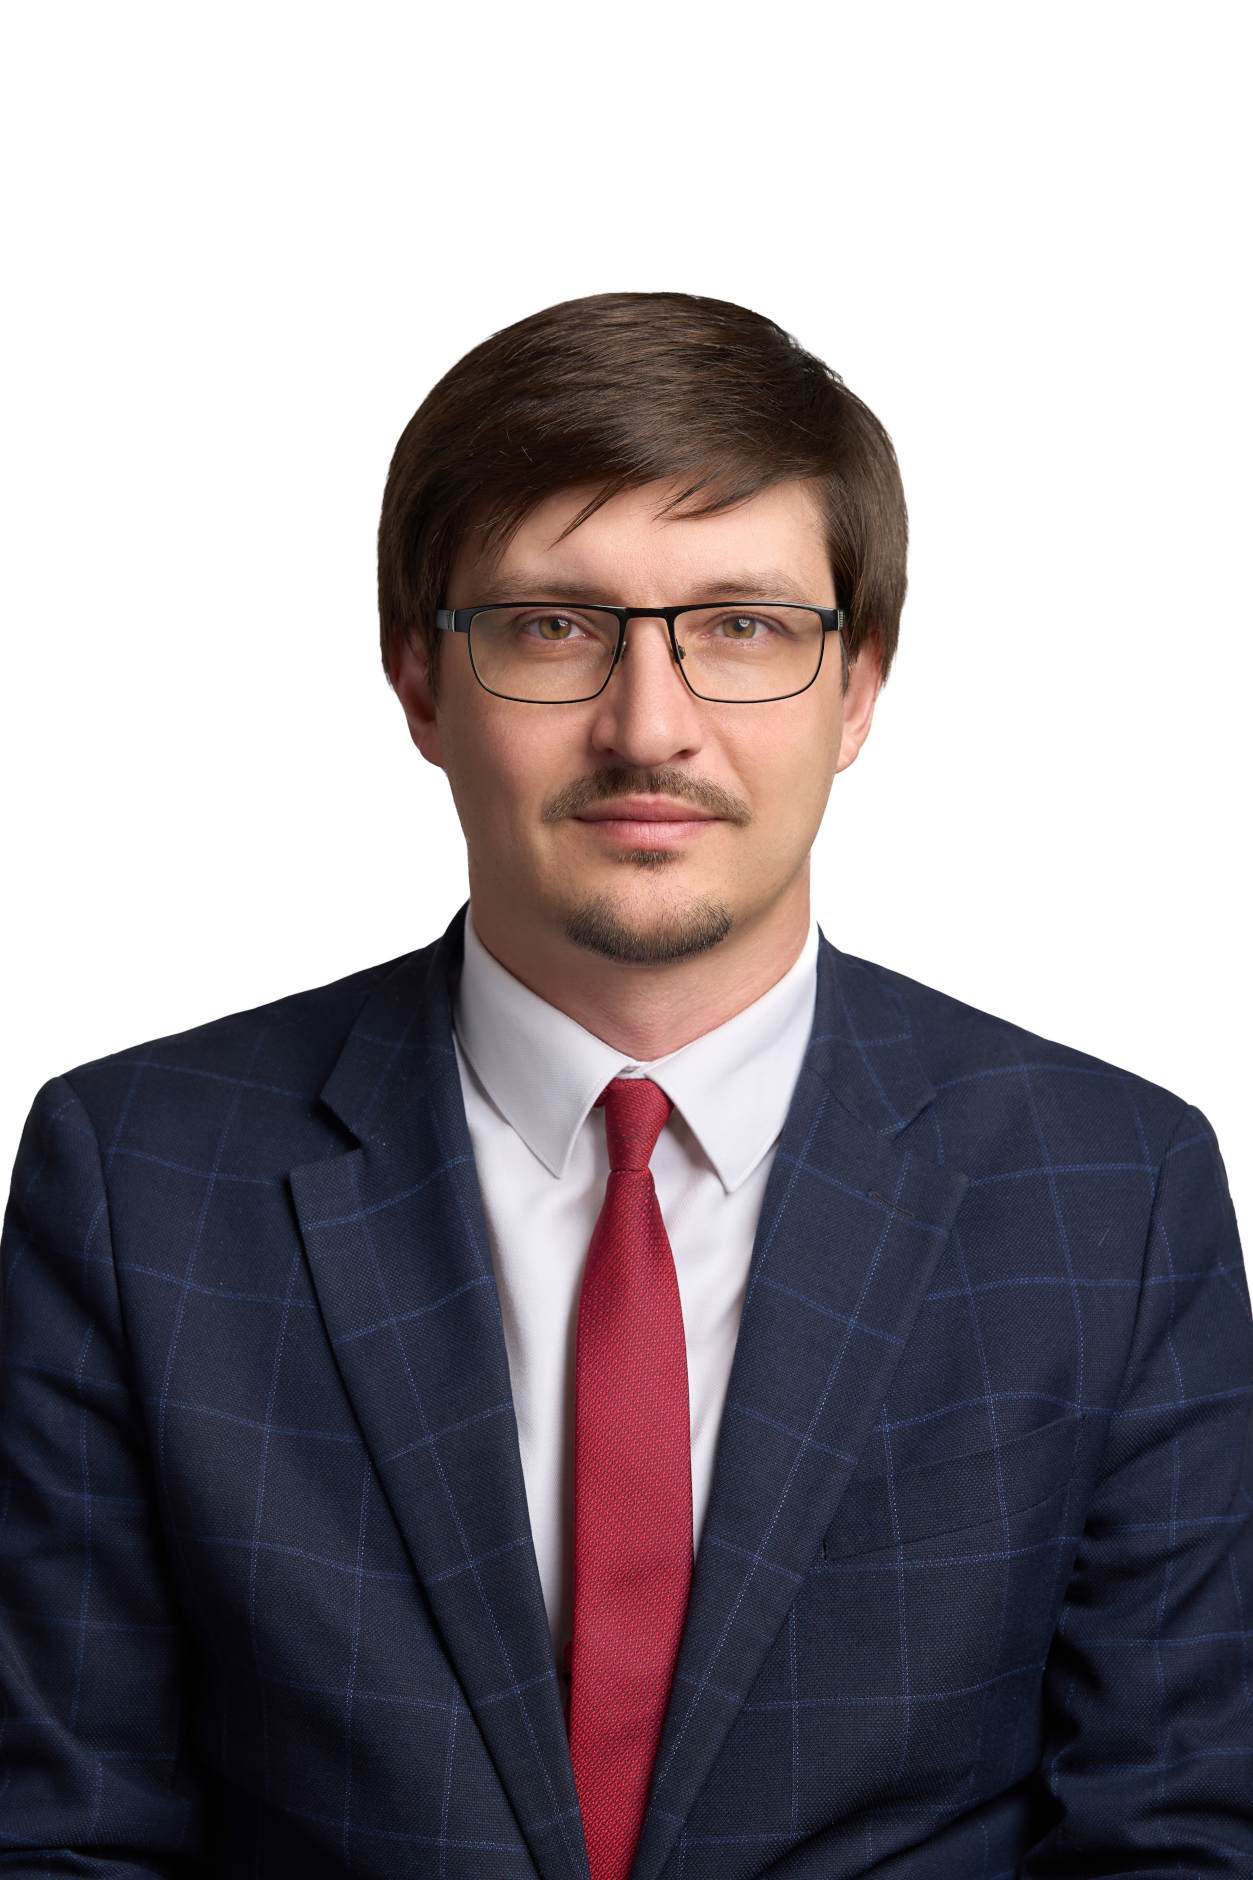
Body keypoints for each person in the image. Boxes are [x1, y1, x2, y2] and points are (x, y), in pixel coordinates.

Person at [1, 292, 1249, 1880]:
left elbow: (1171, 1840)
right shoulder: (138, 1180)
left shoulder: (1113, 1192)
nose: (648, 727)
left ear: (857, 689)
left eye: (743, 627)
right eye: (552, 626)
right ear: (420, 682)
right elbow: (62, 1840)